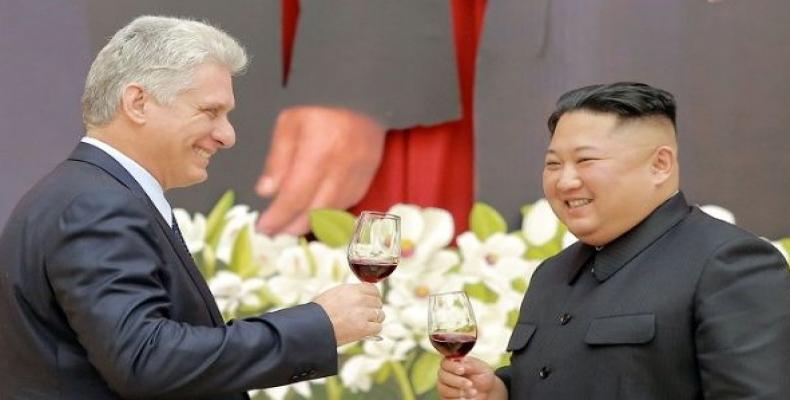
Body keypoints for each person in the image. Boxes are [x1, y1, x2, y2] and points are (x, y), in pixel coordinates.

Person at [0, 16, 384, 399]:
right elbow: (145, 360)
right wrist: (318, 326)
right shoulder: (96, 204)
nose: (227, 135)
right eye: (210, 111)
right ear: (138, 102)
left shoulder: (90, 192)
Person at [437, 82, 790, 399]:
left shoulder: (727, 263)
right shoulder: (551, 274)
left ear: (660, 165)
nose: (564, 182)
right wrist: (499, 392)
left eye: (586, 160)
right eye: (554, 164)